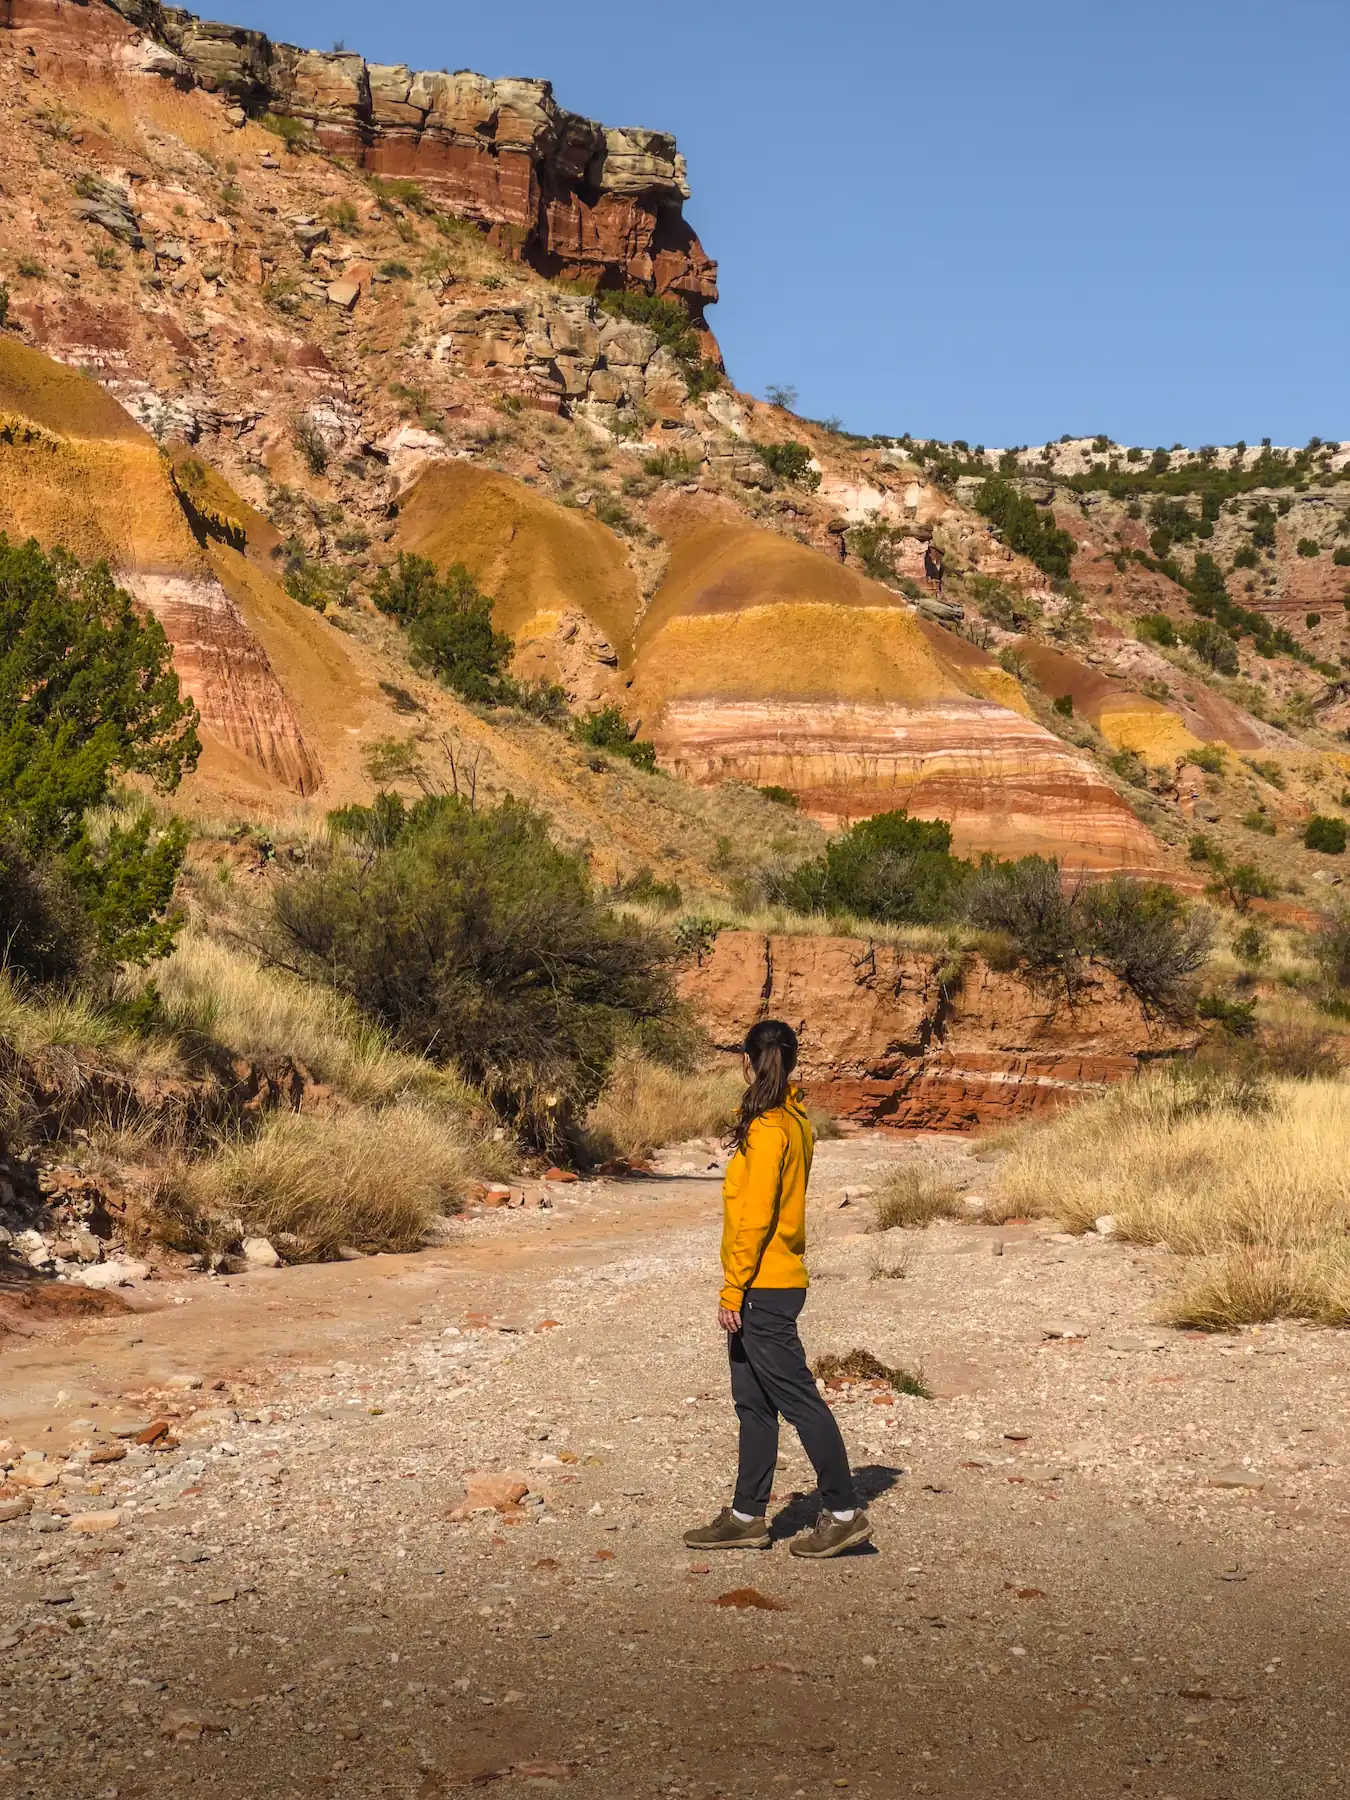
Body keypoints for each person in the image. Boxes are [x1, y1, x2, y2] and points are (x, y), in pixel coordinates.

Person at [684, 1020, 871, 1559]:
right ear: (790, 1061)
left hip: (762, 1287)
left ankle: (843, 1512)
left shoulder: (770, 1127)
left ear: (748, 1060)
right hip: (773, 1283)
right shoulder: (795, 1119)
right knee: (754, 1404)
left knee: (798, 1400)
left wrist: (731, 1289)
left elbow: (756, 1218)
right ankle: (746, 1516)